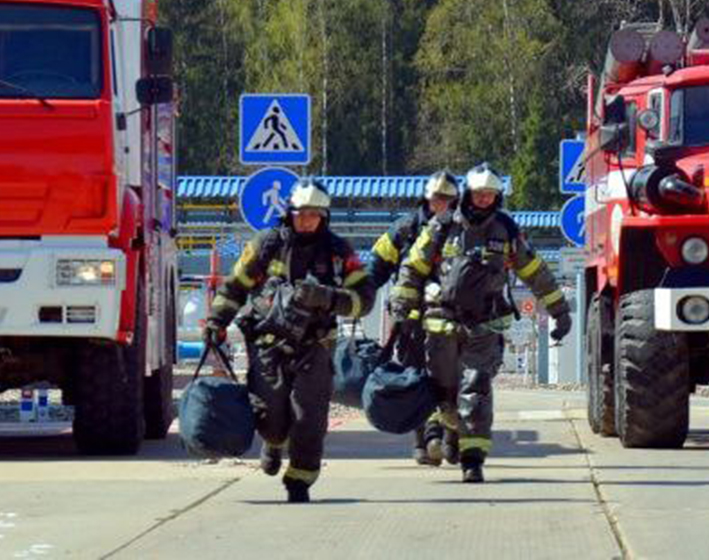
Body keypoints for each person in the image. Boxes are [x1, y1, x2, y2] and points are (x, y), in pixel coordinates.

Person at [391, 163, 571, 483]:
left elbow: (534, 271)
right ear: (468, 194)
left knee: (476, 389)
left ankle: (472, 460)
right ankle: (448, 429)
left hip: (485, 323)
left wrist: (559, 310)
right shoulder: (443, 224)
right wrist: (401, 310)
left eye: (491, 194)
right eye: (480, 193)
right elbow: (413, 266)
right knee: (443, 390)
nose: (485, 199)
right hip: (440, 321)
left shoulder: (506, 230)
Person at [204, 177, 375, 504]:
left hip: (315, 346)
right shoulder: (266, 245)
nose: (306, 220)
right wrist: (215, 322)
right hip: (268, 346)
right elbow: (234, 287)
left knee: (310, 419)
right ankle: (273, 441)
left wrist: (328, 297)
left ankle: (300, 481)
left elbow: (364, 299)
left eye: (314, 215)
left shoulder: (339, 252)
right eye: (301, 213)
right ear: (289, 213)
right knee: (270, 419)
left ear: (324, 217)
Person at [370, 170, 460, 466]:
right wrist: (361, 294)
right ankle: (423, 439)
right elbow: (377, 265)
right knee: (415, 376)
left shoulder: (463, 228)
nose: (442, 203)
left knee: (452, 379)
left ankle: (451, 437)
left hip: (452, 318)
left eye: (448, 198)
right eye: (438, 198)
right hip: (411, 317)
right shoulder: (405, 228)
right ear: (427, 198)